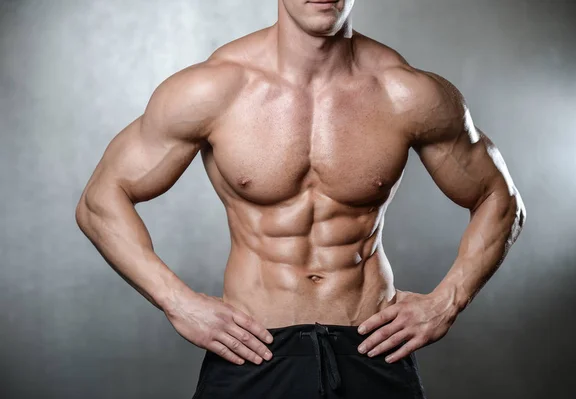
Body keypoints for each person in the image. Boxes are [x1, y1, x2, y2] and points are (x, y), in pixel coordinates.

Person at [75, 0, 526, 397]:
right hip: (253, 349)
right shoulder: (214, 89)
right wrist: (177, 301)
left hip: (371, 345)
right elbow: (100, 201)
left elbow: (500, 200)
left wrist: (447, 302)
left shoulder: (406, 93)